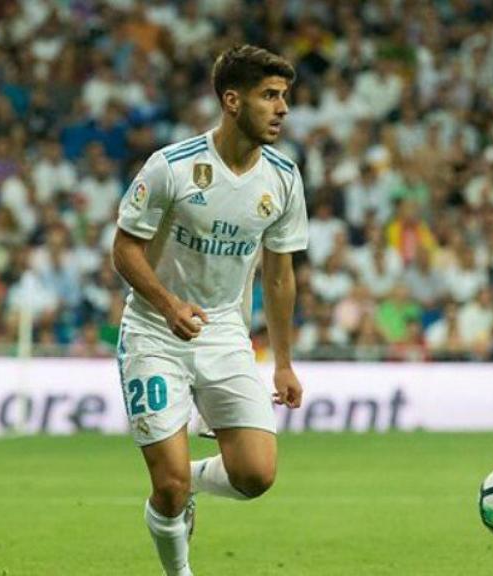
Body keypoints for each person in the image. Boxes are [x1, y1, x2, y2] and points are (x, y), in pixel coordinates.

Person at [111, 45, 307, 576]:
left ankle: (183, 479)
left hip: (223, 331)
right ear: (232, 101)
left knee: (256, 475)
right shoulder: (172, 168)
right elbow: (123, 249)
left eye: (285, 96)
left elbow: (280, 273)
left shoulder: (284, 179)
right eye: (270, 95)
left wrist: (283, 361)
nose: (283, 108)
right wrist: (169, 304)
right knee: (167, 487)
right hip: (155, 330)